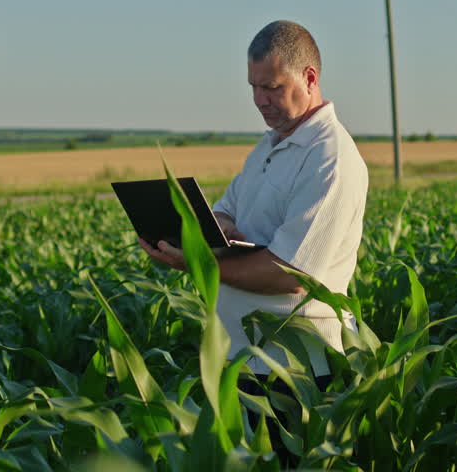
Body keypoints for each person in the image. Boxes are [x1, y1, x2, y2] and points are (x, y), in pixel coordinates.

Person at [141, 19, 369, 386]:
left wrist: (200, 265)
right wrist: (218, 226)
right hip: (245, 359)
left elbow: (293, 274)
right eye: (254, 87)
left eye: (272, 87)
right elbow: (225, 207)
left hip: (297, 370)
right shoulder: (270, 144)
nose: (259, 100)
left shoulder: (330, 157)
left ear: (310, 78)